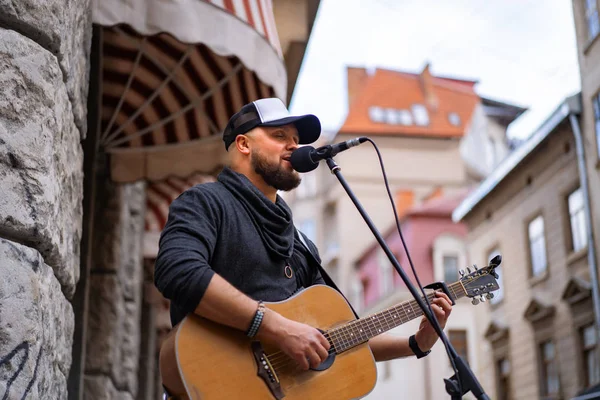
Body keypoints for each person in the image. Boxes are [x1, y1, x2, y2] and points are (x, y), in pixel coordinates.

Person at [154, 97, 453, 372]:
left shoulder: (302, 245)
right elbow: (178, 271)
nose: (295, 147)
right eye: (280, 136)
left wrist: (414, 344)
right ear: (244, 144)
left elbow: (334, 334)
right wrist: (274, 326)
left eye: (296, 140)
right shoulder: (204, 202)